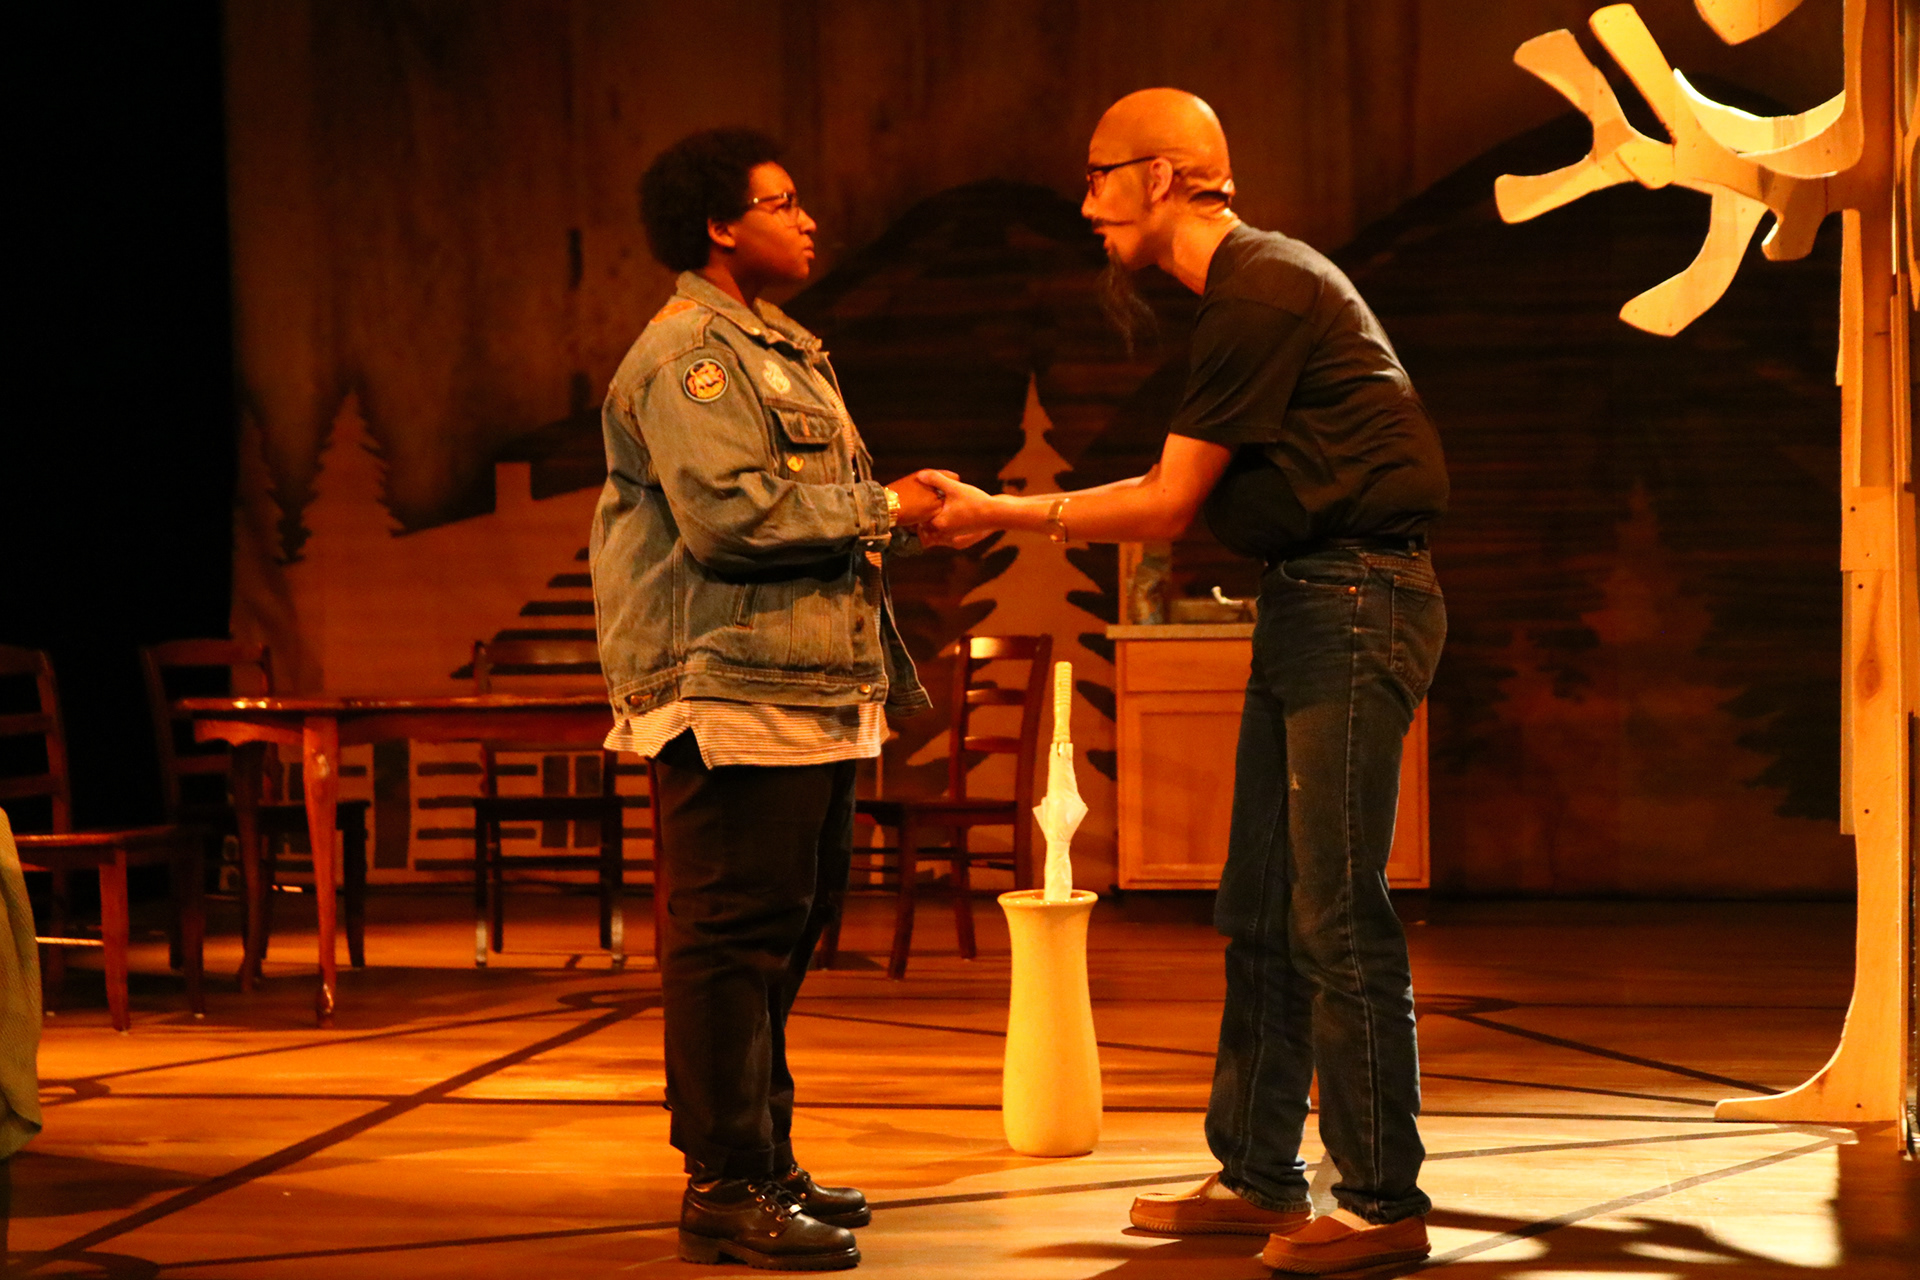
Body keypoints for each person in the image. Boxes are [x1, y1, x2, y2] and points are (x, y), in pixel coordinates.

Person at [918, 89, 1448, 1275]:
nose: (1087, 203)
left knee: (1335, 907)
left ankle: (1381, 1197)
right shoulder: (1249, 291)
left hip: (1358, 596)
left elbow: (1165, 503)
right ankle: (1256, 1169)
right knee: (1262, 902)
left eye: (1098, 175)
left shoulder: (1262, 286)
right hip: (1310, 598)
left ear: (1160, 175)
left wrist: (999, 509)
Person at [591, 127, 940, 1272]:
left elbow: (813, 505)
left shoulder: (780, 348)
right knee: (731, 937)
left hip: (806, 688)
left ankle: (767, 1157)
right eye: (781, 201)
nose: (807, 219)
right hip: (731, 689)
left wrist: (895, 510)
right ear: (718, 225)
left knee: (783, 929)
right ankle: (725, 1181)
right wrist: (885, 506)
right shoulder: (691, 353)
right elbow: (730, 518)